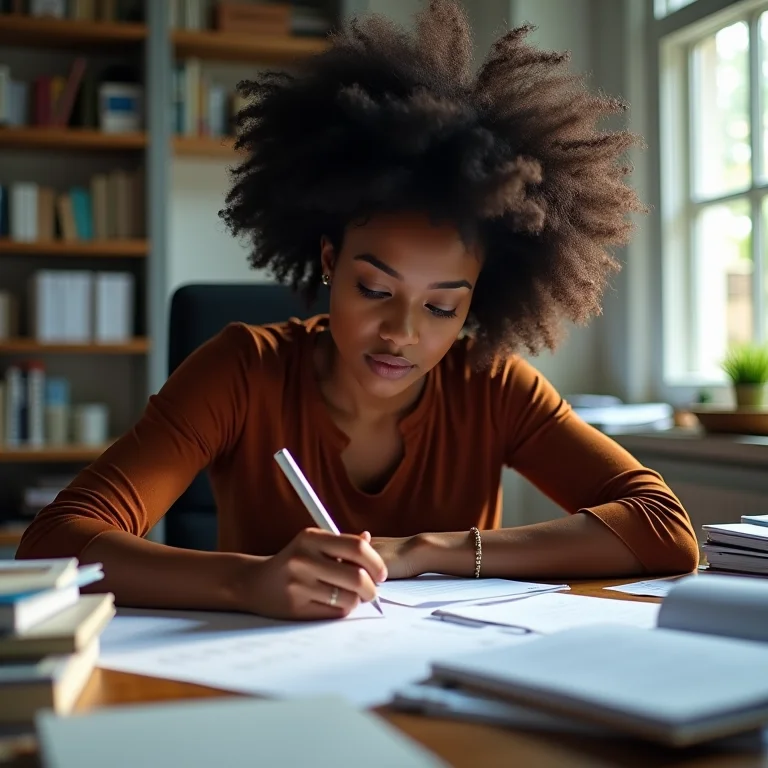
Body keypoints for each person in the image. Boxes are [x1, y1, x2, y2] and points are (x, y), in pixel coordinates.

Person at [16, 0, 698, 620]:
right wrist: (246, 583)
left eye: (441, 306)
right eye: (375, 290)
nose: (402, 333)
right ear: (327, 262)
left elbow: (665, 530)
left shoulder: (492, 384)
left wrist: (425, 550)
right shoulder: (241, 372)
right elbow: (54, 542)